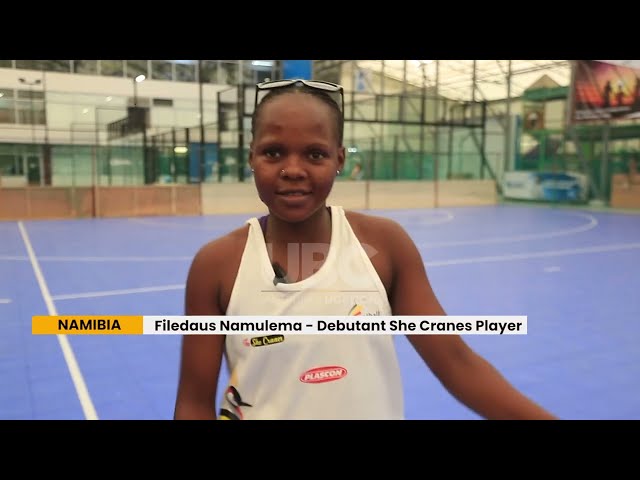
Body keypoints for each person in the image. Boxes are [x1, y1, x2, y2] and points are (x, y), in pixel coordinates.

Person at [173, 79, 557, 420]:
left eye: (314, 153)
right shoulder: (216, 266)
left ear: (339, 159)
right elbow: (193, 403)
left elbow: (457, 363)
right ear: (251, 157)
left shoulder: (385, 247)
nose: (293, 169)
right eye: (273, 152)